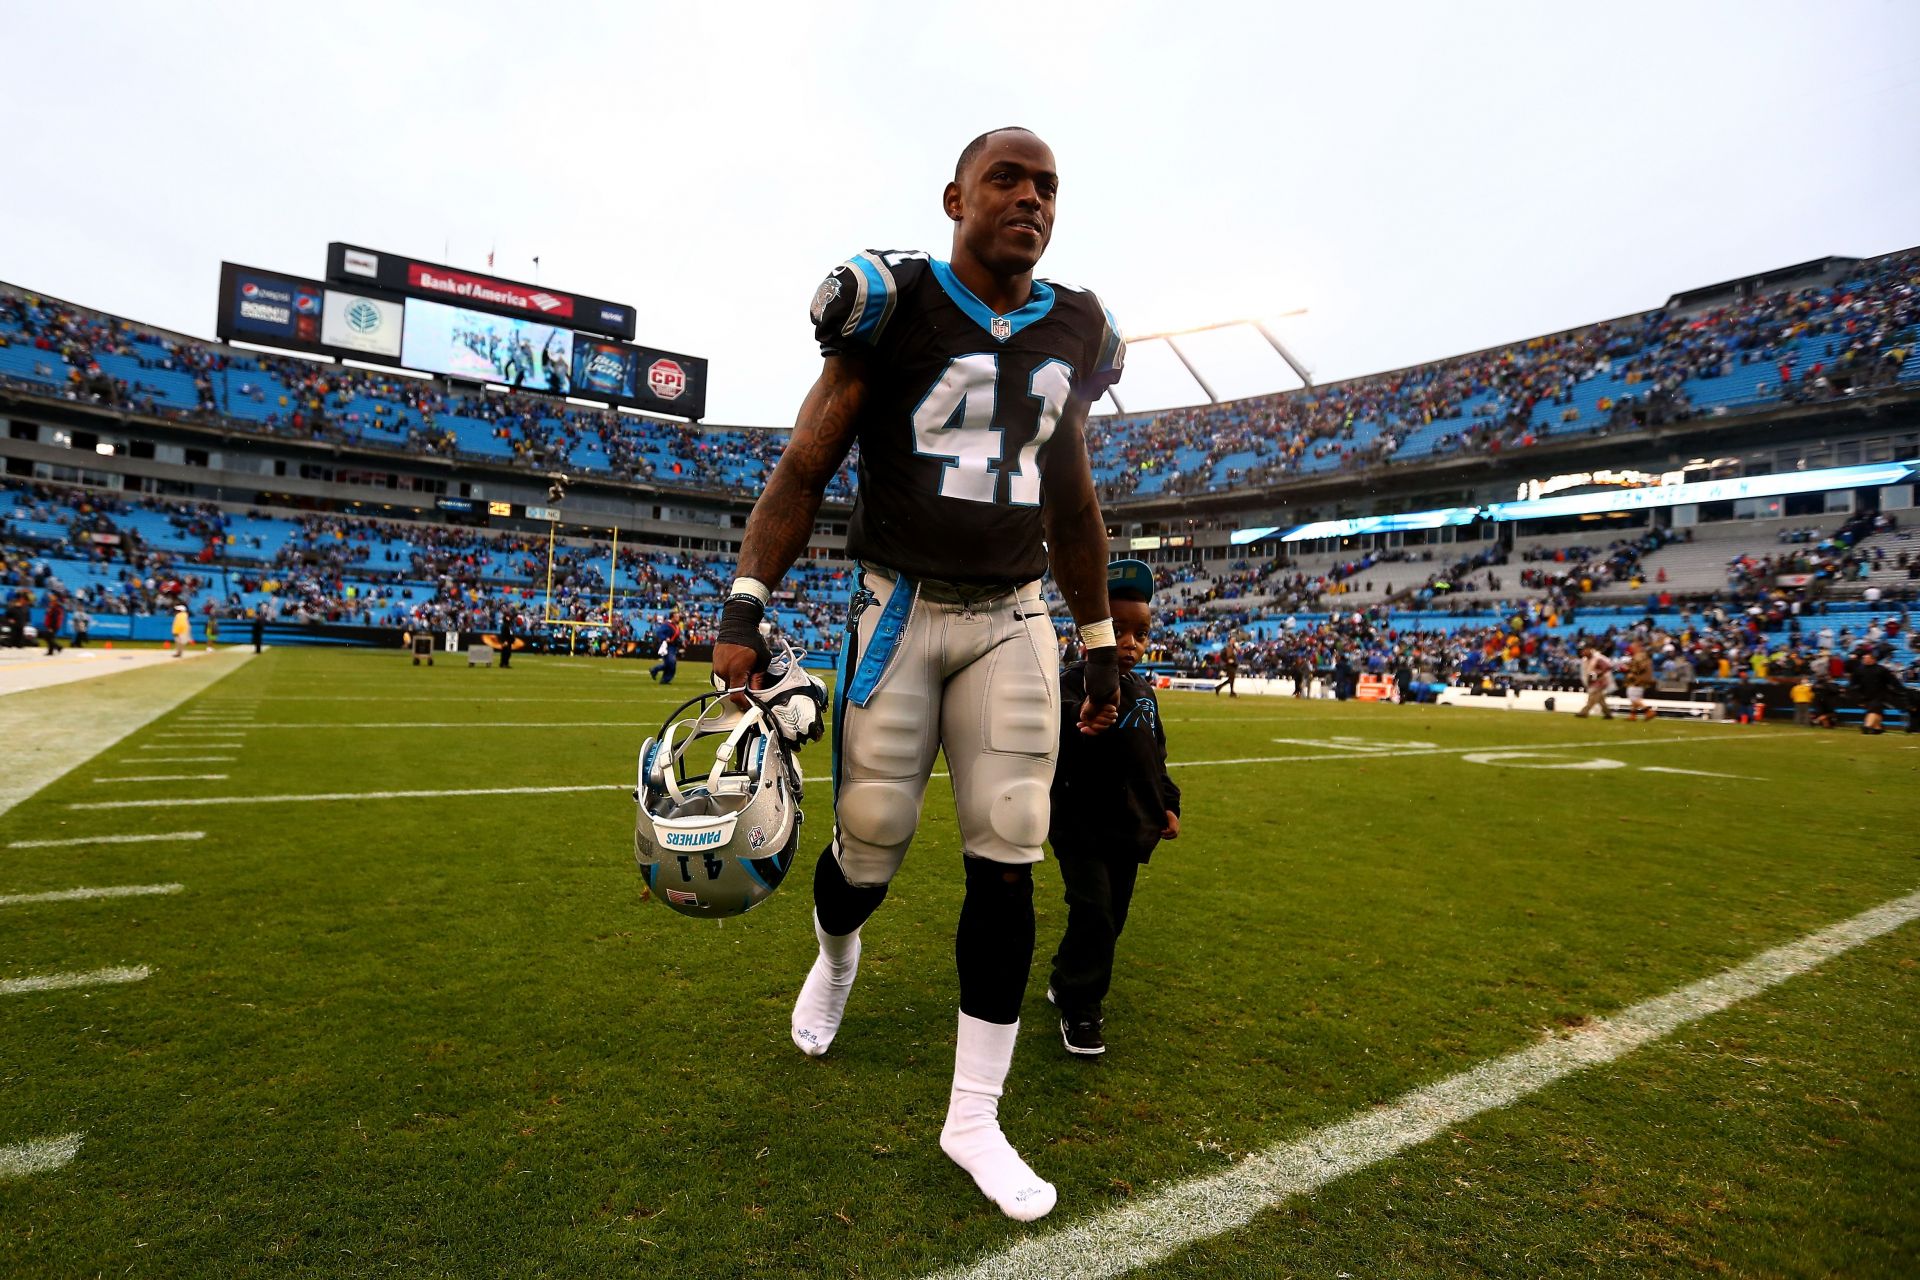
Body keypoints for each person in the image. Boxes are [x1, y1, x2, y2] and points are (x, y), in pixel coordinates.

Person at [710, 126, 1125, 1222]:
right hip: (898, 607)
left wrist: (1100, 642)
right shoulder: (892, 303)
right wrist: (746, 603)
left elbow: (1074, 503)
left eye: (1048, 186)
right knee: (872, 842)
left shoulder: (1078, 328)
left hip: (1011, 616)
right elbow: (805, 463)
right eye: (1008, 178)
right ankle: (836, 954)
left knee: (1008, 845)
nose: (1030, 198)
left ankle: (973, 1116)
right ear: (955, 195)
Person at [1047, 560, 1180, 1057]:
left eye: (1140, 632)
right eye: (1118, 630)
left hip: (1131, 826)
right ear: (1090, 632)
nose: (1131, 643)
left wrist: (1168, 803)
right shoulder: (1069, 685)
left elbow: (1156, 757)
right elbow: (1052, 737)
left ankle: (1065, 976)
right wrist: (1081, 716)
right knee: (1094, 909)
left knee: (1111, 916)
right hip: (1079, 822)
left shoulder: (1145, 693)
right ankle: (1081, 1008)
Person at [1849, 649, 1899, 735]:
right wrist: (1856, 695)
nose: (1864, 659)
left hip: (1880, 695)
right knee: (1876, 711)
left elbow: (1892, 681)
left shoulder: (1881, 669)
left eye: (1866, 658)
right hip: (1865, 696)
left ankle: (1867, 727)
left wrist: (1899, 690)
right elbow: (1853, 683)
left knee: (1873, 710)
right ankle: (1877, 728)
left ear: (1873, 659)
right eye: (1864, 658)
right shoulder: (1859, 670)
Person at [1575, 644, 1613, 718]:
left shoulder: (1598, 658)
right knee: (1600, 699)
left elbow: (1608, 666)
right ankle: (1608, 714)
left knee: (1592, 698)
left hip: (1600, 682)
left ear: (1589, 649)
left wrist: (1599, 673)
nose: (1582, 653)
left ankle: (1583, 712)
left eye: (1584, 651)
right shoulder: (1585, 660)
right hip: (1592, 682)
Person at [1622, 641, 1654, 721]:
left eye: (1633, 647)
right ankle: (1633, 715)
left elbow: (1640, 667)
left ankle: (1648, 711)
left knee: (1632, 696)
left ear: (1637, 647)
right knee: (1636, 696)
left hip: (1638, 679)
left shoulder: (1639, 656)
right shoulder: (1642, 655)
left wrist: (1630, 670)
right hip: (1642, 679)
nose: (1631, 649)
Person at [649, 612, 682, 683]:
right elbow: (659, 633)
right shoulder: (667, 625)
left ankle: (655, 670)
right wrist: (665, 638)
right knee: (671, 662)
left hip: (673, 646)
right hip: (667, 646)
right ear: (672, 617)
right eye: (676, 617)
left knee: (669, 663)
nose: (678, 618)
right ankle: (665, 678)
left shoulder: (676, 626)